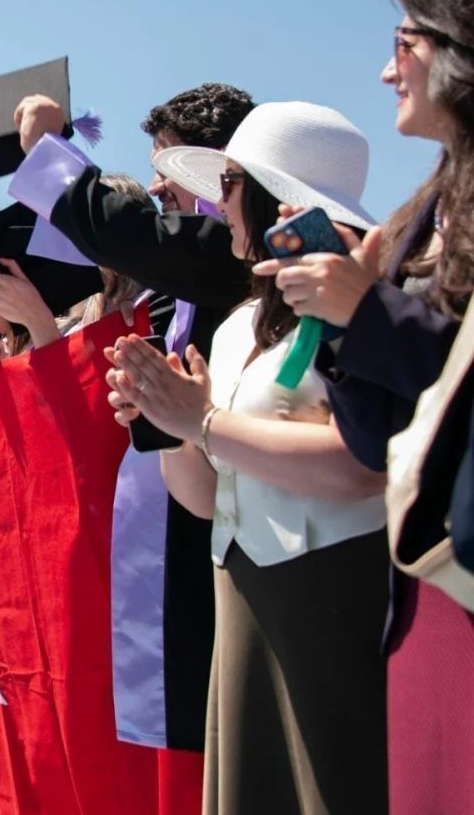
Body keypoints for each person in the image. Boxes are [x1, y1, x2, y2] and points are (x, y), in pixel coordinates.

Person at [109, 102, 390, 814]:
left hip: (335, 597)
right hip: (240, 601)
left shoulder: (368, 309)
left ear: (275, 194)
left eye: (229, 183)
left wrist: (202, 421)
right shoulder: (236, 326)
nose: (218, 202)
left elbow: (361, 467)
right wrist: (167, 421)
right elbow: (209, 499)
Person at [252, 0, 474, 808]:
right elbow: (380, 437)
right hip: (424, 583)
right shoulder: (419, 214)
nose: (386, 71)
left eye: (403, 44)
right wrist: (343, 328)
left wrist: (369, 312)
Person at [9, 85, 255, 809]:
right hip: (185, 530)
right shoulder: (182, 291)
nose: (157, 186)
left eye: (169, 167)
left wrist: (50, 154)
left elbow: (132, 237)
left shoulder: (237, 256)